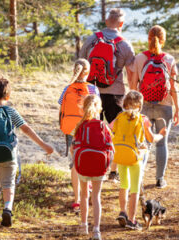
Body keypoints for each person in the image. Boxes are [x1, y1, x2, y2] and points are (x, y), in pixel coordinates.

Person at [0, 78, 54, 227]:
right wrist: (44, 145)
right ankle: (7, 208)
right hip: (9, 155)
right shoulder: (11, 111)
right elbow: (25, 129)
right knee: (8, 184)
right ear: (8, 96)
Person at [80, 8, 136, 182]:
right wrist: (132, 93)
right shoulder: (125, 44)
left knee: (91, 130)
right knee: (117, 132)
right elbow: (131, 71)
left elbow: (82, 63)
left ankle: (91, 169)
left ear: (106, 22)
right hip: (115, 94)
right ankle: (113, 173)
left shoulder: (91, 39)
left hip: (93, 92)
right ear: (121, 24)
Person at [129, 25, 179, 189]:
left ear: (148, 39)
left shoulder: (139, 58)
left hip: (143, 105)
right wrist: (177, 108)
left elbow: (133, 84)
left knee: (143, 143)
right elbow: (173, 87)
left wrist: (133, 107)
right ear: (163, 40)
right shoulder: (170, 59)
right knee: (161, 143)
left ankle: (139, 179)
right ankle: (160, 179)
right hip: (164, 106)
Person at [111, 90, 166, 230]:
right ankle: (131, 220)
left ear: (124, 103)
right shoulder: (143, 118)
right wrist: (161, 134)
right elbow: (151, 138)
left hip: (120, 154)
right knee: (134, 189)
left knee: (124, 185)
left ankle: (122, 212)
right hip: (135, 157)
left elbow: (109, 129)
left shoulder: (119, 116)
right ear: (140, 106)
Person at [58, 59, 101, 212]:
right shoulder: (93, 89)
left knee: (75, 164)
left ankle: (77, 200)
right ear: (88, 72)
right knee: (88, 157)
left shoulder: (67, 88)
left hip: (71, 129)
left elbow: (61, 106)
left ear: (73, 71)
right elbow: (98, 111)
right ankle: (87, 186)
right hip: (88, 128)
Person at [72, 95, 113, 240]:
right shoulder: (103, 126)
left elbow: (73, 148)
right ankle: (96, 231)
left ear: (84, 108)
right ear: (99, 108)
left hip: (83, 166)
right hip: (99, 166)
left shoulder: (80, 125)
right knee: (96, 197)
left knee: (84, 195)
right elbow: (111, 148)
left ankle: (83, 226)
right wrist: (107, 166)